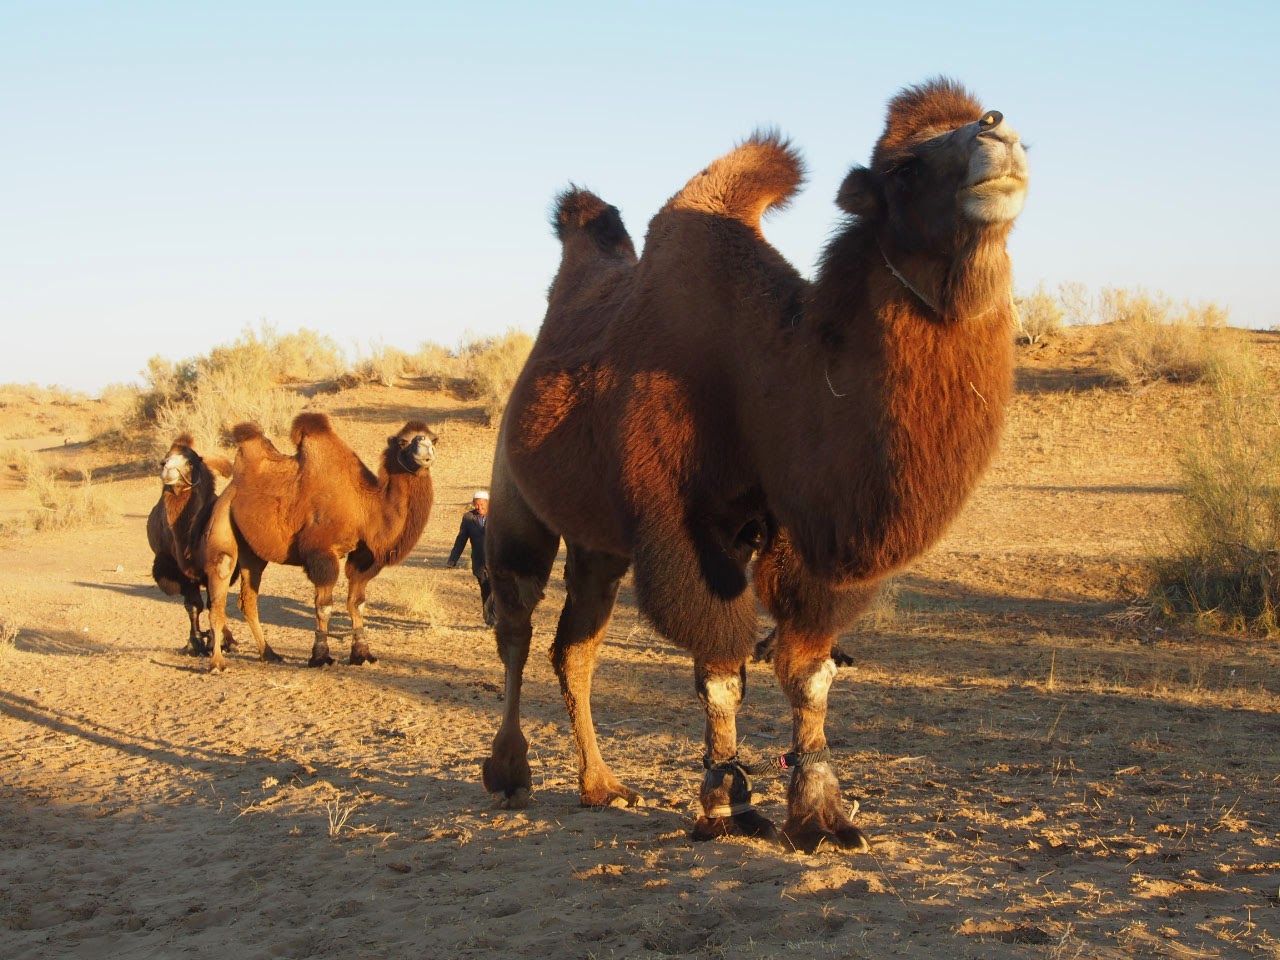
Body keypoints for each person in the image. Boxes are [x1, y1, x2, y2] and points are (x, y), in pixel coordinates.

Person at [447, 490, 493, 625]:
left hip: (497, 562)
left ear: (488, 503)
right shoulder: (468, 518)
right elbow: (461, 540)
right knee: (485, 590)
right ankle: (489, 620)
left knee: (495, 590)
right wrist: (453, 559)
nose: (479, 507)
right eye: (476, 505)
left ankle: (496, 620)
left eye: (482, 504)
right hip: (479, 562)